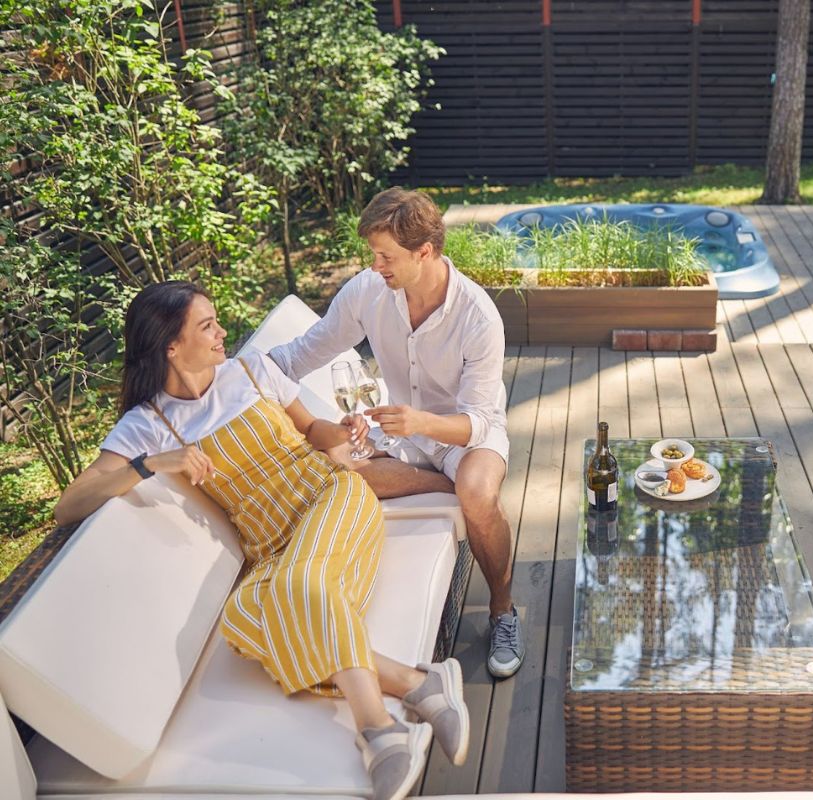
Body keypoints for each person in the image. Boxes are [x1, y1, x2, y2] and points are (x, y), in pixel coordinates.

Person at [54, 282, 468, 800]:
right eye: (207, 326)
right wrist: (149, 464)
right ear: (171, 346)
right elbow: (68, 504)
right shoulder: (148, 425)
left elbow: (314, 431)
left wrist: (340, 433)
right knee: (244, 618)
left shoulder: (252, 371)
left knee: (301, 584)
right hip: (269, 547)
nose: (222, 331)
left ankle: (379, 730)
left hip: (329, 496)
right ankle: (416, 683)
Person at [268, 188, 524, 679]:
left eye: (386, 256)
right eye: (374, 255)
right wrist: (233, 377)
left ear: (424, 252)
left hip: (466, 432)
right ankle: (448, 491)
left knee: (476, 490)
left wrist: (419, 422)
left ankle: (502, 610)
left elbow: (479, 422)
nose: (375, 265)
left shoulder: (478, 317)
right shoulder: (368, 292)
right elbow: (300, 355)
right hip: (406, 436)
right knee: (344, 470)